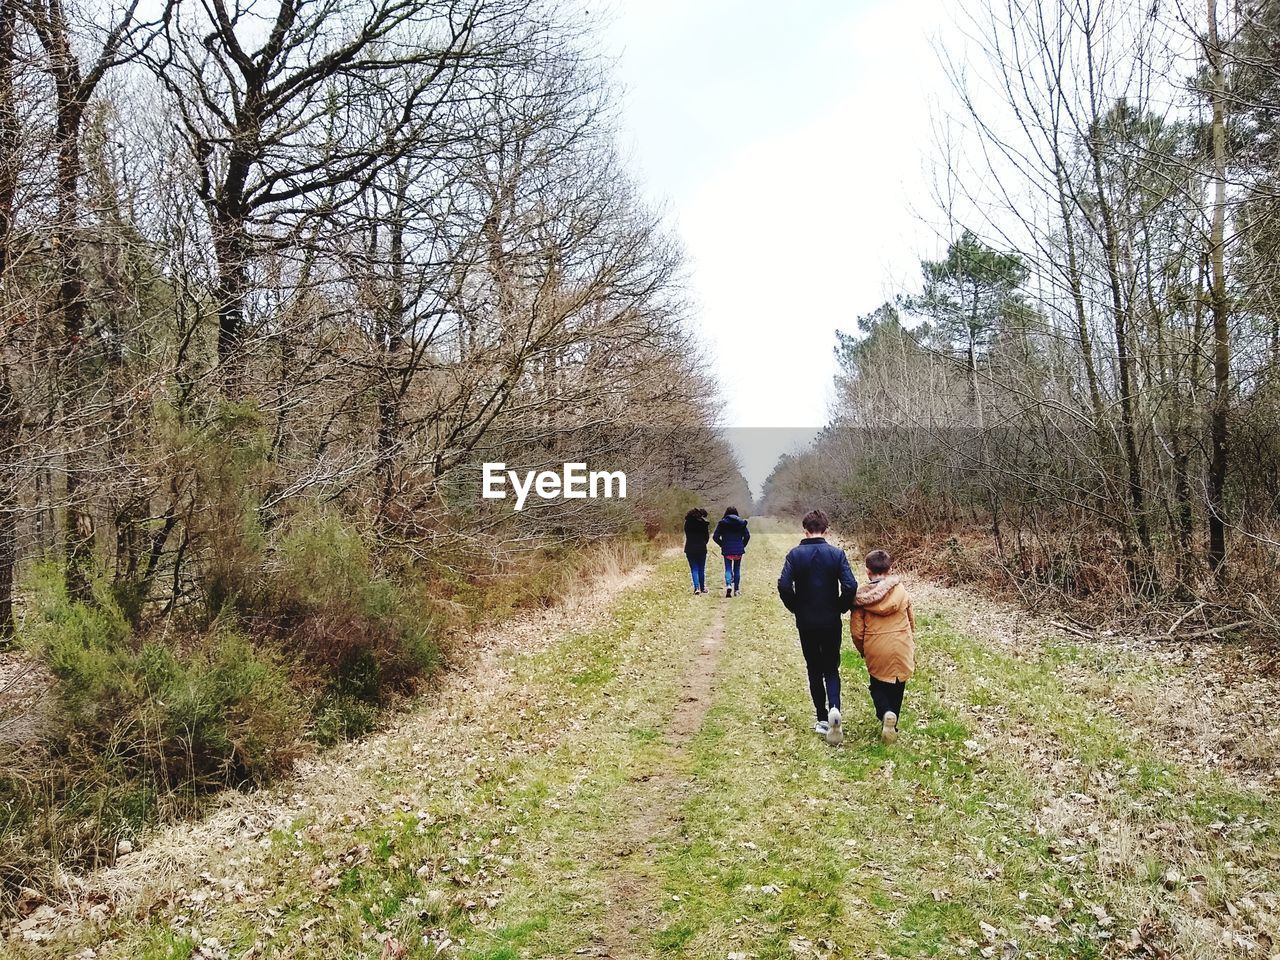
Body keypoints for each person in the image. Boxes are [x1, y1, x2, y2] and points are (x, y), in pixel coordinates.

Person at [777, 509, 857, 746]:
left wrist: (795, 607)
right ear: (826, 529)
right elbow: (851, 585)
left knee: (814, 668)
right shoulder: (837, 554)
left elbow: (783, 585)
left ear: (805, 530)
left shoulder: (794, 555)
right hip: (830, 620)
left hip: (806, 621)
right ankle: (835, 707)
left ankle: (822, 718)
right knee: (831, 668)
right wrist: (840, 607)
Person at [850, 548, 915, 745]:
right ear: (890, 569)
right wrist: (910, 640)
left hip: (876, 646)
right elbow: (911, 620)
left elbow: (857, 632)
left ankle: (885, 713)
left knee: (877, 685)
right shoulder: (901, 592)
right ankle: (892, 722)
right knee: (898, 685)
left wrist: (863, 649)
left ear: (867, 571)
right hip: (901, 644)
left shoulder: (861, 599)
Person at [712, 506, 750, 597]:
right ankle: (736, 590)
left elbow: (715, 537)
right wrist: (742, 545)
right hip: (738, 550)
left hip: (727, 549)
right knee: (737, 569)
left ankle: (729, 585)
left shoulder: (722, 523)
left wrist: (722, 544)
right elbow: (747, 536)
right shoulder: (741, 523)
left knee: (728, 568)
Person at [683, 507, 710, 594]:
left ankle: (696, 588)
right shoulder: (703, 524)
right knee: (701, 569)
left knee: (694, 569)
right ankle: (702, 587)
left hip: (690, 548)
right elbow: (707, 537)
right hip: (701, 548)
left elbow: (687, 534)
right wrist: (703, 543)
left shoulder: (687, 523)